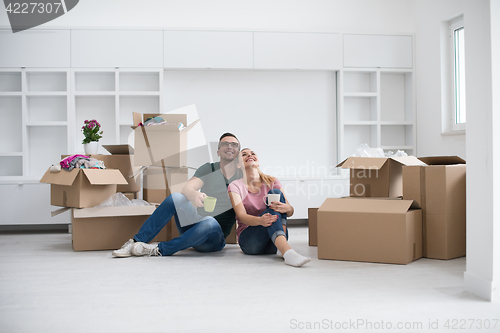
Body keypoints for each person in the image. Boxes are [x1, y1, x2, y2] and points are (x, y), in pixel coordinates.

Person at [112, 133, 242, 257]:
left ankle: (159, 249)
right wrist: (195, 194)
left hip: (213, 239)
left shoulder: (242, 176)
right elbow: (187, 188)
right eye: (225, 143)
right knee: (176, 197)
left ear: (238, 153)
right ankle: (136, 242)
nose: (229, 146)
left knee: (210, 222)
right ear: (218, 151)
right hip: (194, 225)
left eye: (234, 144)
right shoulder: (209, 169)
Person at [227, 148, 311, 267]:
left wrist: (287, 208)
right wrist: (260, 221)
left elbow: (290, 211)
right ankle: (287, 252)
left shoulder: (272, 181)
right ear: (238, 165)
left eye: (252, 154)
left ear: (258, 162)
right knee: (271, 209)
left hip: (273, 243)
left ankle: (284, 249)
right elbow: (242, 216)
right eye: (244, 155)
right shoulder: (234, 186)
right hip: (251, 242)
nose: (249, 155)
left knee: (275, 192)